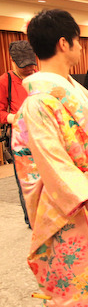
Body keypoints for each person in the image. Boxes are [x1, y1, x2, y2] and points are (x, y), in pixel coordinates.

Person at [11, 9, 88, 307]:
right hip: (66, 204)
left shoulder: (72, 91)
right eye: (76, 40)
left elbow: (79, 148)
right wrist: (84, 192)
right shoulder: (38, 102)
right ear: (63, 43)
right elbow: (49, 157)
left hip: (84, 195)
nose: (80, 47)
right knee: (71, 285)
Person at [0, 40, 37, 227]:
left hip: (41, 136)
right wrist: (12, 118)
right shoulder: (5, 81)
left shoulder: (39, 78)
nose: (29, 70)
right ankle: (31, 220)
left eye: (32, 65)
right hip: (20, 139)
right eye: (25, 67)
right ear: (13, 61)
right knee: (25, 181)